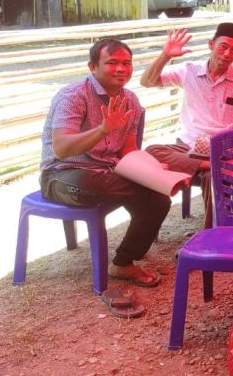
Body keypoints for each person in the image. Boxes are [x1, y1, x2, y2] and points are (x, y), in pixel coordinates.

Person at [40, 38, 171, 288]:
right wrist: (102, 130)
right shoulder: (73, 95)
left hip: (106, 174)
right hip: (62, 175)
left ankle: (123, 262)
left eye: (126, 63)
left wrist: (153, 170)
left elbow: (128, 149)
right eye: (112, 63)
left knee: (158, 198)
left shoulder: (130, 100)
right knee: (101, 181)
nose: (121, 69)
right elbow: (61, 148)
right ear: (92, 66)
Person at [140, 23, 233, 229]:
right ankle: (207, 165)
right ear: (211, 44)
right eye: (223, 46)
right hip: (188, 146)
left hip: (222, 148)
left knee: (215, 177)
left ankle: (213, 234)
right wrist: (165, 55)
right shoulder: (189, 70)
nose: (227, 54)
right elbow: (147, 81)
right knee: (150, 152)